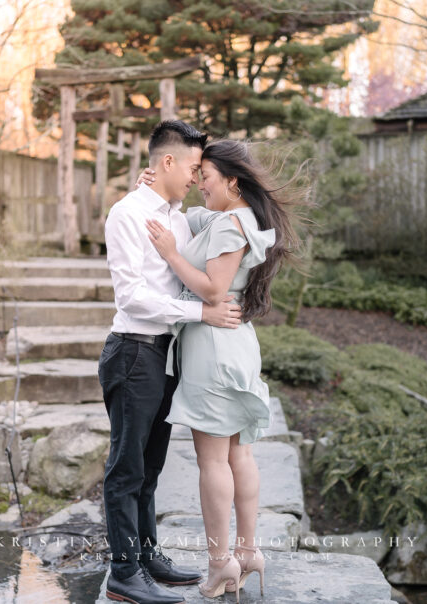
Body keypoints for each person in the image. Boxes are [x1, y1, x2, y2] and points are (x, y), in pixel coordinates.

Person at [142, 139, 299, 601]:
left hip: (213, 346)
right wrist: (157, 190)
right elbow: (191, 217)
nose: (199, 185)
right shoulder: (235, 217)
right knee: (238, 455)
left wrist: (171, 253)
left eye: (205, 177)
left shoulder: (231, 225)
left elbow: (213, 290)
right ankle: (247, 553)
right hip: (234, 344)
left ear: (233, 180)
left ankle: (219, 564)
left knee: (214, 460)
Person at [100, 120, 243, 604]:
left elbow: (231, 216)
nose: (196, 177)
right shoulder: (127, 214)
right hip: (134, 350)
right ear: (166, 162)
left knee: (151, 466)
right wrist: (200, 311)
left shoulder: (177, 217)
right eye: (192, 167)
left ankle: (146, 557)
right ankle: (123, 573)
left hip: (163, 355)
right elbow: (134, 298)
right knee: (126, 468)